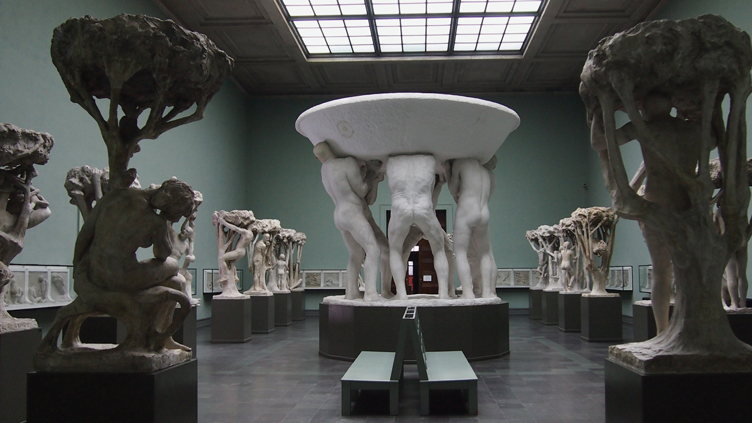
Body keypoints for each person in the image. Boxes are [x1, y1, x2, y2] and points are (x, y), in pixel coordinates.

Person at [591, 92, 704, 333]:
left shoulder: (643, 128)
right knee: (685, 271)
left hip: (657, 204)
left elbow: (598, 142)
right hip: (688, 203)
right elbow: (714, 141)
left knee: (662, 271)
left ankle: (663, 331)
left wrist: (599, 112)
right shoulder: (692, 129)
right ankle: (683, 331)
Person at [314, 141, 383, 301]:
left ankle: (351, 292)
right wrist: (372, 172)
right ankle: (371, 293)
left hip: (339, 214)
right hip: (352, 212)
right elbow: (362, 190)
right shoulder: (347, 162)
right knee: (373, 249)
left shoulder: (324, 169)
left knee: (355, 254)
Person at [387, 154, 450, 300]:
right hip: (424, 207)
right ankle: (444, 293)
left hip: (400, 207)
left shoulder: (392, 161)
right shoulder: (429, 160)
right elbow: (433, 195)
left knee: (395, 251)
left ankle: (401, 294)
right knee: (439, 249)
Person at [446, 156, 498, 298]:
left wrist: (448, 172)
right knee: (485, 254)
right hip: (484, 212)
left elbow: (453, 189)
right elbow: (489, 194)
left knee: (461, 253)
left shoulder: (461, 162)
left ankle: (468, 293)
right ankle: (487, 292)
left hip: (467, 210)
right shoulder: (486, 172)